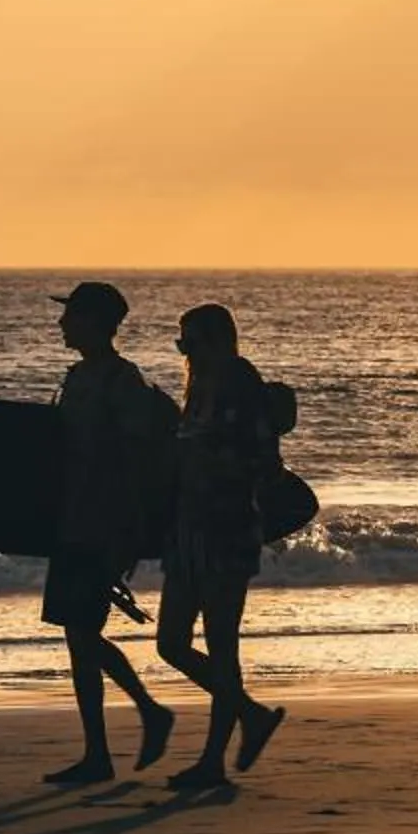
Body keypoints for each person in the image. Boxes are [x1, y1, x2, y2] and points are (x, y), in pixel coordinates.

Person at [41, 281, 179, 787]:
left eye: (71, 316)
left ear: (96, 324)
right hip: (72, 521)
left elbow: (139, 461)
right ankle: (97, 752)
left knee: (81, 632)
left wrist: (132, 534)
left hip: (101, 524)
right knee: (78, 637)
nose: (61, 324)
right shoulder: (77, 377)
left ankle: (145, 713)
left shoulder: (122, 382)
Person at [156, 301, 287, 791]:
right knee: (171, 643)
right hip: (188, 532)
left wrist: (212, 460)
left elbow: (264, 463)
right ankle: (250, 715)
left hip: (227, 531)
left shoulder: (240, 386)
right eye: (180, 344)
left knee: (221, 646)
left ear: (216, 341)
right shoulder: (199, 390)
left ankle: (213, 761)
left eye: (189, 342)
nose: (184, 351)